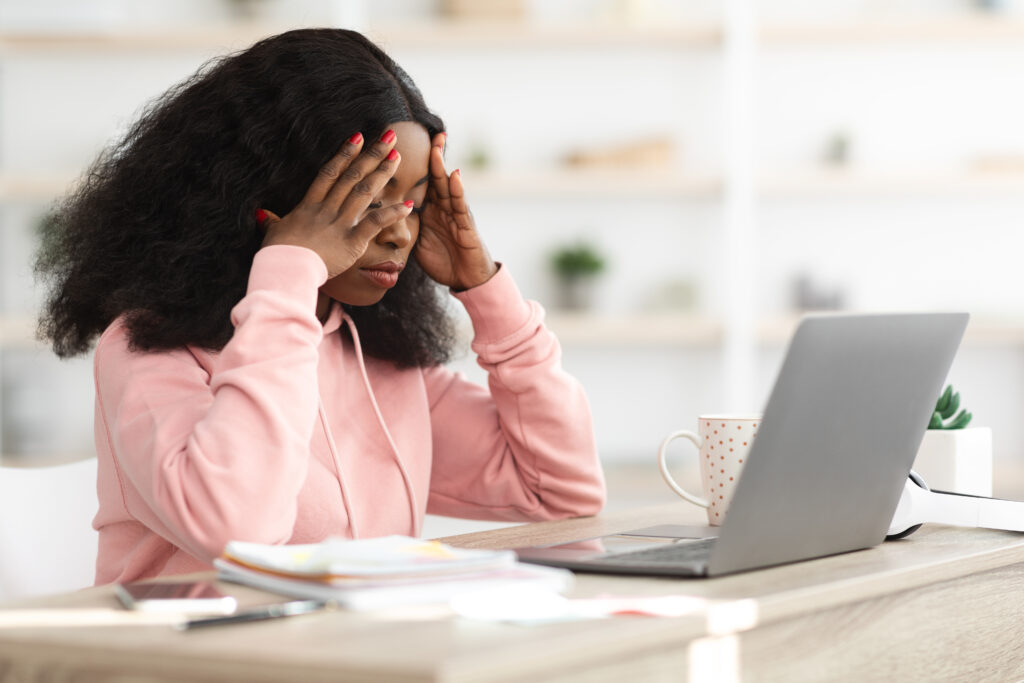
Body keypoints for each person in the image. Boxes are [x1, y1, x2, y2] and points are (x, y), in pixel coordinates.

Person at [34, 28, 605, 585]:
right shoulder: (147, 347)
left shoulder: (375, 360)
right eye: (365, 197)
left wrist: (485, 291)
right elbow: (239, 530)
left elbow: (563, 492)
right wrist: (288, 273)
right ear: (264, 192)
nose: (399, 233)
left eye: (414, 204)